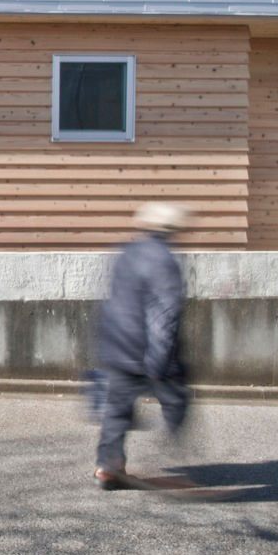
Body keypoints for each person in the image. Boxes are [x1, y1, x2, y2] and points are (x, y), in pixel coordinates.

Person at [93, 201, 192, 490]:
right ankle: (177, 456)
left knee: (117, 410)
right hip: (147, 350)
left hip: (117, 346)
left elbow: (111, 301)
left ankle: (107, 467)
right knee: (177, 400)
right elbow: (164, 313)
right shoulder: (164, 259)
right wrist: (159, 361)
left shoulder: (126, 252)